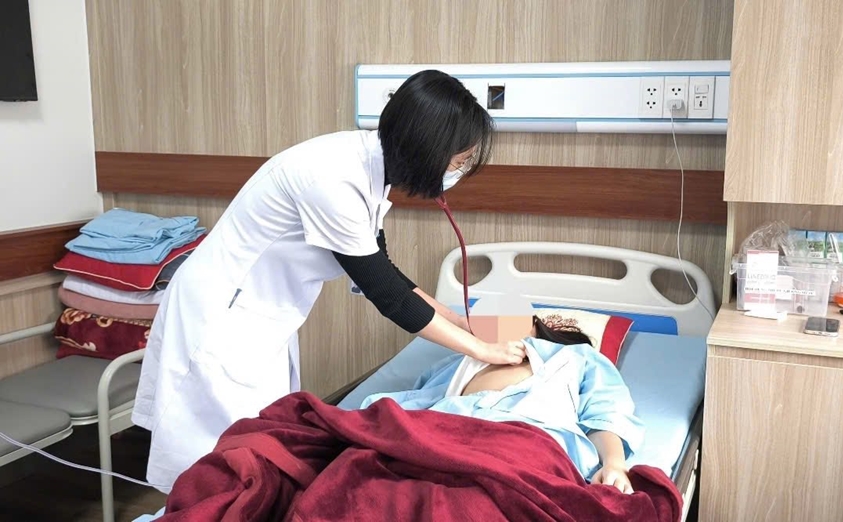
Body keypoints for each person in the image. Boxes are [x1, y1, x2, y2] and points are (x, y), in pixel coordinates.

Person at [131, 70, 529, 491]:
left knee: (257, 450)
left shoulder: (369, 167)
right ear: (428, 148)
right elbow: (388, 295)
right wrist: (480, 348)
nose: (458, 171)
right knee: (219, 466)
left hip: (257, 316)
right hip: (219, 319)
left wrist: (462, 322)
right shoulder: (333, 179)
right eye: (459, 161)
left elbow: (385, 271)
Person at [361, 315, 644, 494]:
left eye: (514, 317)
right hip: (442, 433)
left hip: (525, 440)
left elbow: (605, 412)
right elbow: (420, 400)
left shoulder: (575, 357)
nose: (500, 323)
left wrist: (614, 464)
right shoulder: (461, 360)